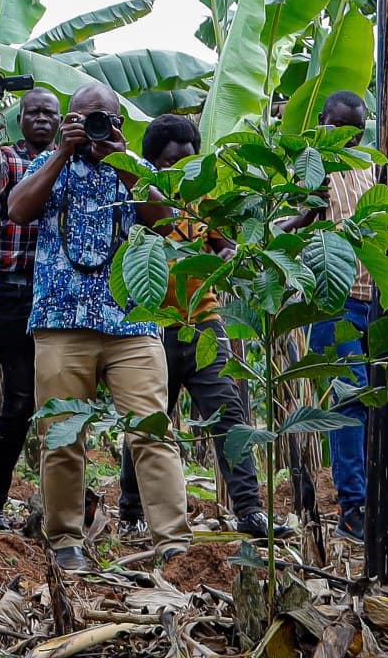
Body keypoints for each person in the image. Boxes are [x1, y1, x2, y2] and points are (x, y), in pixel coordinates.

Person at [6, 82, 189, 572]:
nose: (93, 130)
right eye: (83, 120)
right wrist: (63, 153)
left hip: (131, 323)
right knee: (62, 436)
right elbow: (18, 210)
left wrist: (123, 161)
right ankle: (66, 542)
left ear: (119, 124)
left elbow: (167, 220)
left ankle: (174, 545)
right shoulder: (47, 165)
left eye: (101, 120)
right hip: (62, 321)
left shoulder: (136, 170)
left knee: (153, 431)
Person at [115, 116, 276, 541]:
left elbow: (222, 242)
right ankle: (130, 511)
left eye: (189, 160)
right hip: (154, 326)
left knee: (230, 417)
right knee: (148, 423)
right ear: (152, 161)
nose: (182, 168)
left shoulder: (203, 200)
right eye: (172, 161)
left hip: (204, 323)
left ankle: (250, 510)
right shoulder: (135, 198)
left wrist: (227, 252)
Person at [0, 89, 58, 532]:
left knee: (62, 401)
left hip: (60, 293)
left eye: (50, 113)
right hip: (17, 291)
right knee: (20, 400)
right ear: (20, 117)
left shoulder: (72, 160)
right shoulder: (11, 159)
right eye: (34, 112)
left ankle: (59, 509)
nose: (42, 119)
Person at [298, 90, 378, 540]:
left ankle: (371, 495)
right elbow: (297, 222)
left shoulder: (373, 169)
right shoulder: (311, 166)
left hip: (375, 299)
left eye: (356, 129)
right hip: (334, 300)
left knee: (374, 399)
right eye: (339, 127)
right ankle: (353, 506)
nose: (347, 137)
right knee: (349, 399)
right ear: (323, 121)